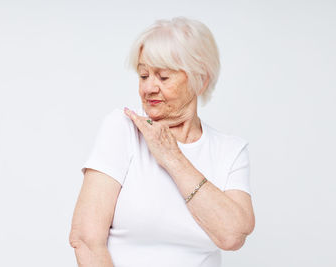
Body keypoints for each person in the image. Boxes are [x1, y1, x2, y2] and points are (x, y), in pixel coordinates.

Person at [69, 16, 255, 267]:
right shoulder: (122, 129)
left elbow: (233, 236)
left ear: (201, 80)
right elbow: (86, 240)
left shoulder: (230, 151)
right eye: (144, 75)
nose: (148, 88)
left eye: (163, 77)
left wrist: (173, 157)